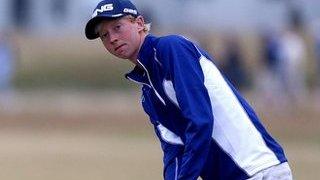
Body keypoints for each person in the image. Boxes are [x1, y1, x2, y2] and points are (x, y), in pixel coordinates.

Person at [85, 0, 292, 179]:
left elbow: (200, 120)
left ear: (139, 23)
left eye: (117, 27)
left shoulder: (172, 49)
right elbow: (173, 149)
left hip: (258, 170)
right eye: (104, 35)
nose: (112, 38)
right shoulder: (148, 93)